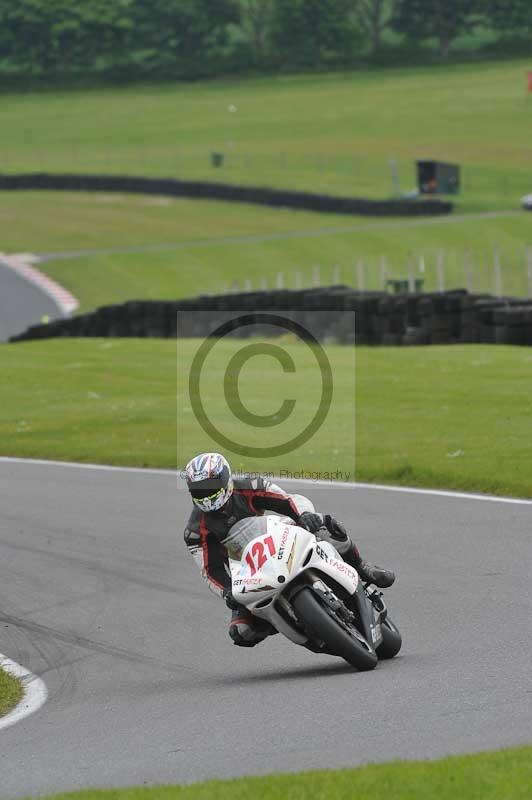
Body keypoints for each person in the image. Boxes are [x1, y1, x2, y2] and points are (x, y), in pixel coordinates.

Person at [183, 452, 395, 648]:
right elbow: (209, 570)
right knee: (241, 632)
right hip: (249, 571)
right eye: (200, 490)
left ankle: (362, 567)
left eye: (210, 486)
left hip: (278, 537)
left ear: (226, 478)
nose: (206, 494)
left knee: (326, 525)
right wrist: (227, 591)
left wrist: (304, 515)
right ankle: (283, 619)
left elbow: (287, 500)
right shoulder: (194, 532)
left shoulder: (250, 485)